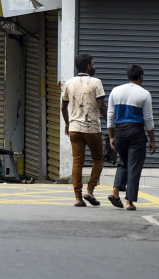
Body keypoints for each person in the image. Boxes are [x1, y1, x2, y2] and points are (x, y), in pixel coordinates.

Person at [107, 64, 156, 211]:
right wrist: (152, 140)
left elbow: (110, 116)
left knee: (123, 162)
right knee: (134, 166)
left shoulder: (115, 91)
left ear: (127, 76)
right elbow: (148, 119)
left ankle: (115, 191)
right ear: (141, 77)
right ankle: (129, 201)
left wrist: (111, 137)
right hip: (136, 132)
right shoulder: (145, 94)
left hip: (120, 132)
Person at [61, 53, 107, 207]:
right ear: (88, 66)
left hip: (74, 128)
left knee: (77, 162)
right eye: (93, 64)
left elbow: (63, 106)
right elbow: (102, 106)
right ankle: (90, 190)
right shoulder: (96, 82)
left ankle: (78, 198)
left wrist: (67, 123)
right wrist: (111, 123)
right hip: (92, 128)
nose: (94, 67)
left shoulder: (69, 83)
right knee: (98, 159)